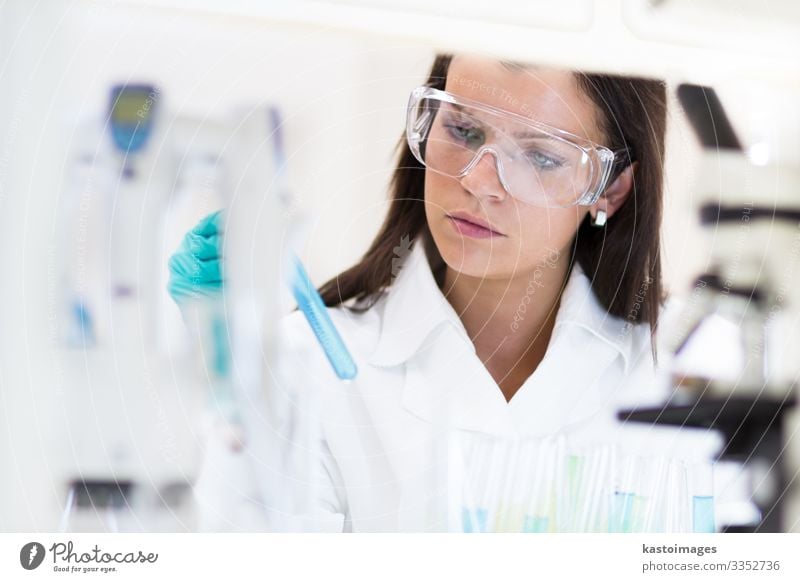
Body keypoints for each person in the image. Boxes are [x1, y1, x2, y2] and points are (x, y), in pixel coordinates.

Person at [169, 54, 737, 532]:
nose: (478, 181)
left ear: (609, 189)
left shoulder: (696, 370)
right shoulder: (309, 364)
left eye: (540, 157)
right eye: (462, 131)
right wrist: (221, 351)